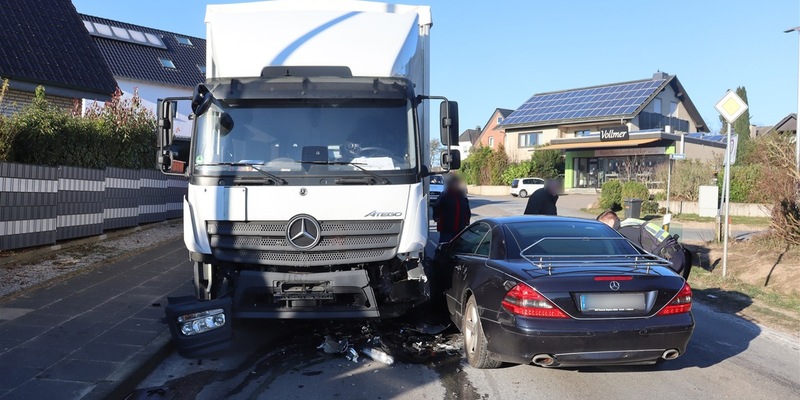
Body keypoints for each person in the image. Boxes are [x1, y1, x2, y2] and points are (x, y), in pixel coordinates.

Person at [597, 210, 692, 280]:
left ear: (611, 222)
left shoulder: (623, 232)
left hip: (669, 258)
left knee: (663, 294)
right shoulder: (628, 223)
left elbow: (635, 258)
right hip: (677, 254)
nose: (603, 230)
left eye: (603, 226)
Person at [433, 175, 470, 243]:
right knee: (444, 245)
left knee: (458, 245)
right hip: (447, 227)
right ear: (450, 184)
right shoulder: (445, 195)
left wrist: (467, 220)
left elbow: (467, 209)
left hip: (460, 226)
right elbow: (436, 206)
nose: (456, 185)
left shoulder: (462, 195)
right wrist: (437, 217)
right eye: (454, 183)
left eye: (457, 183)